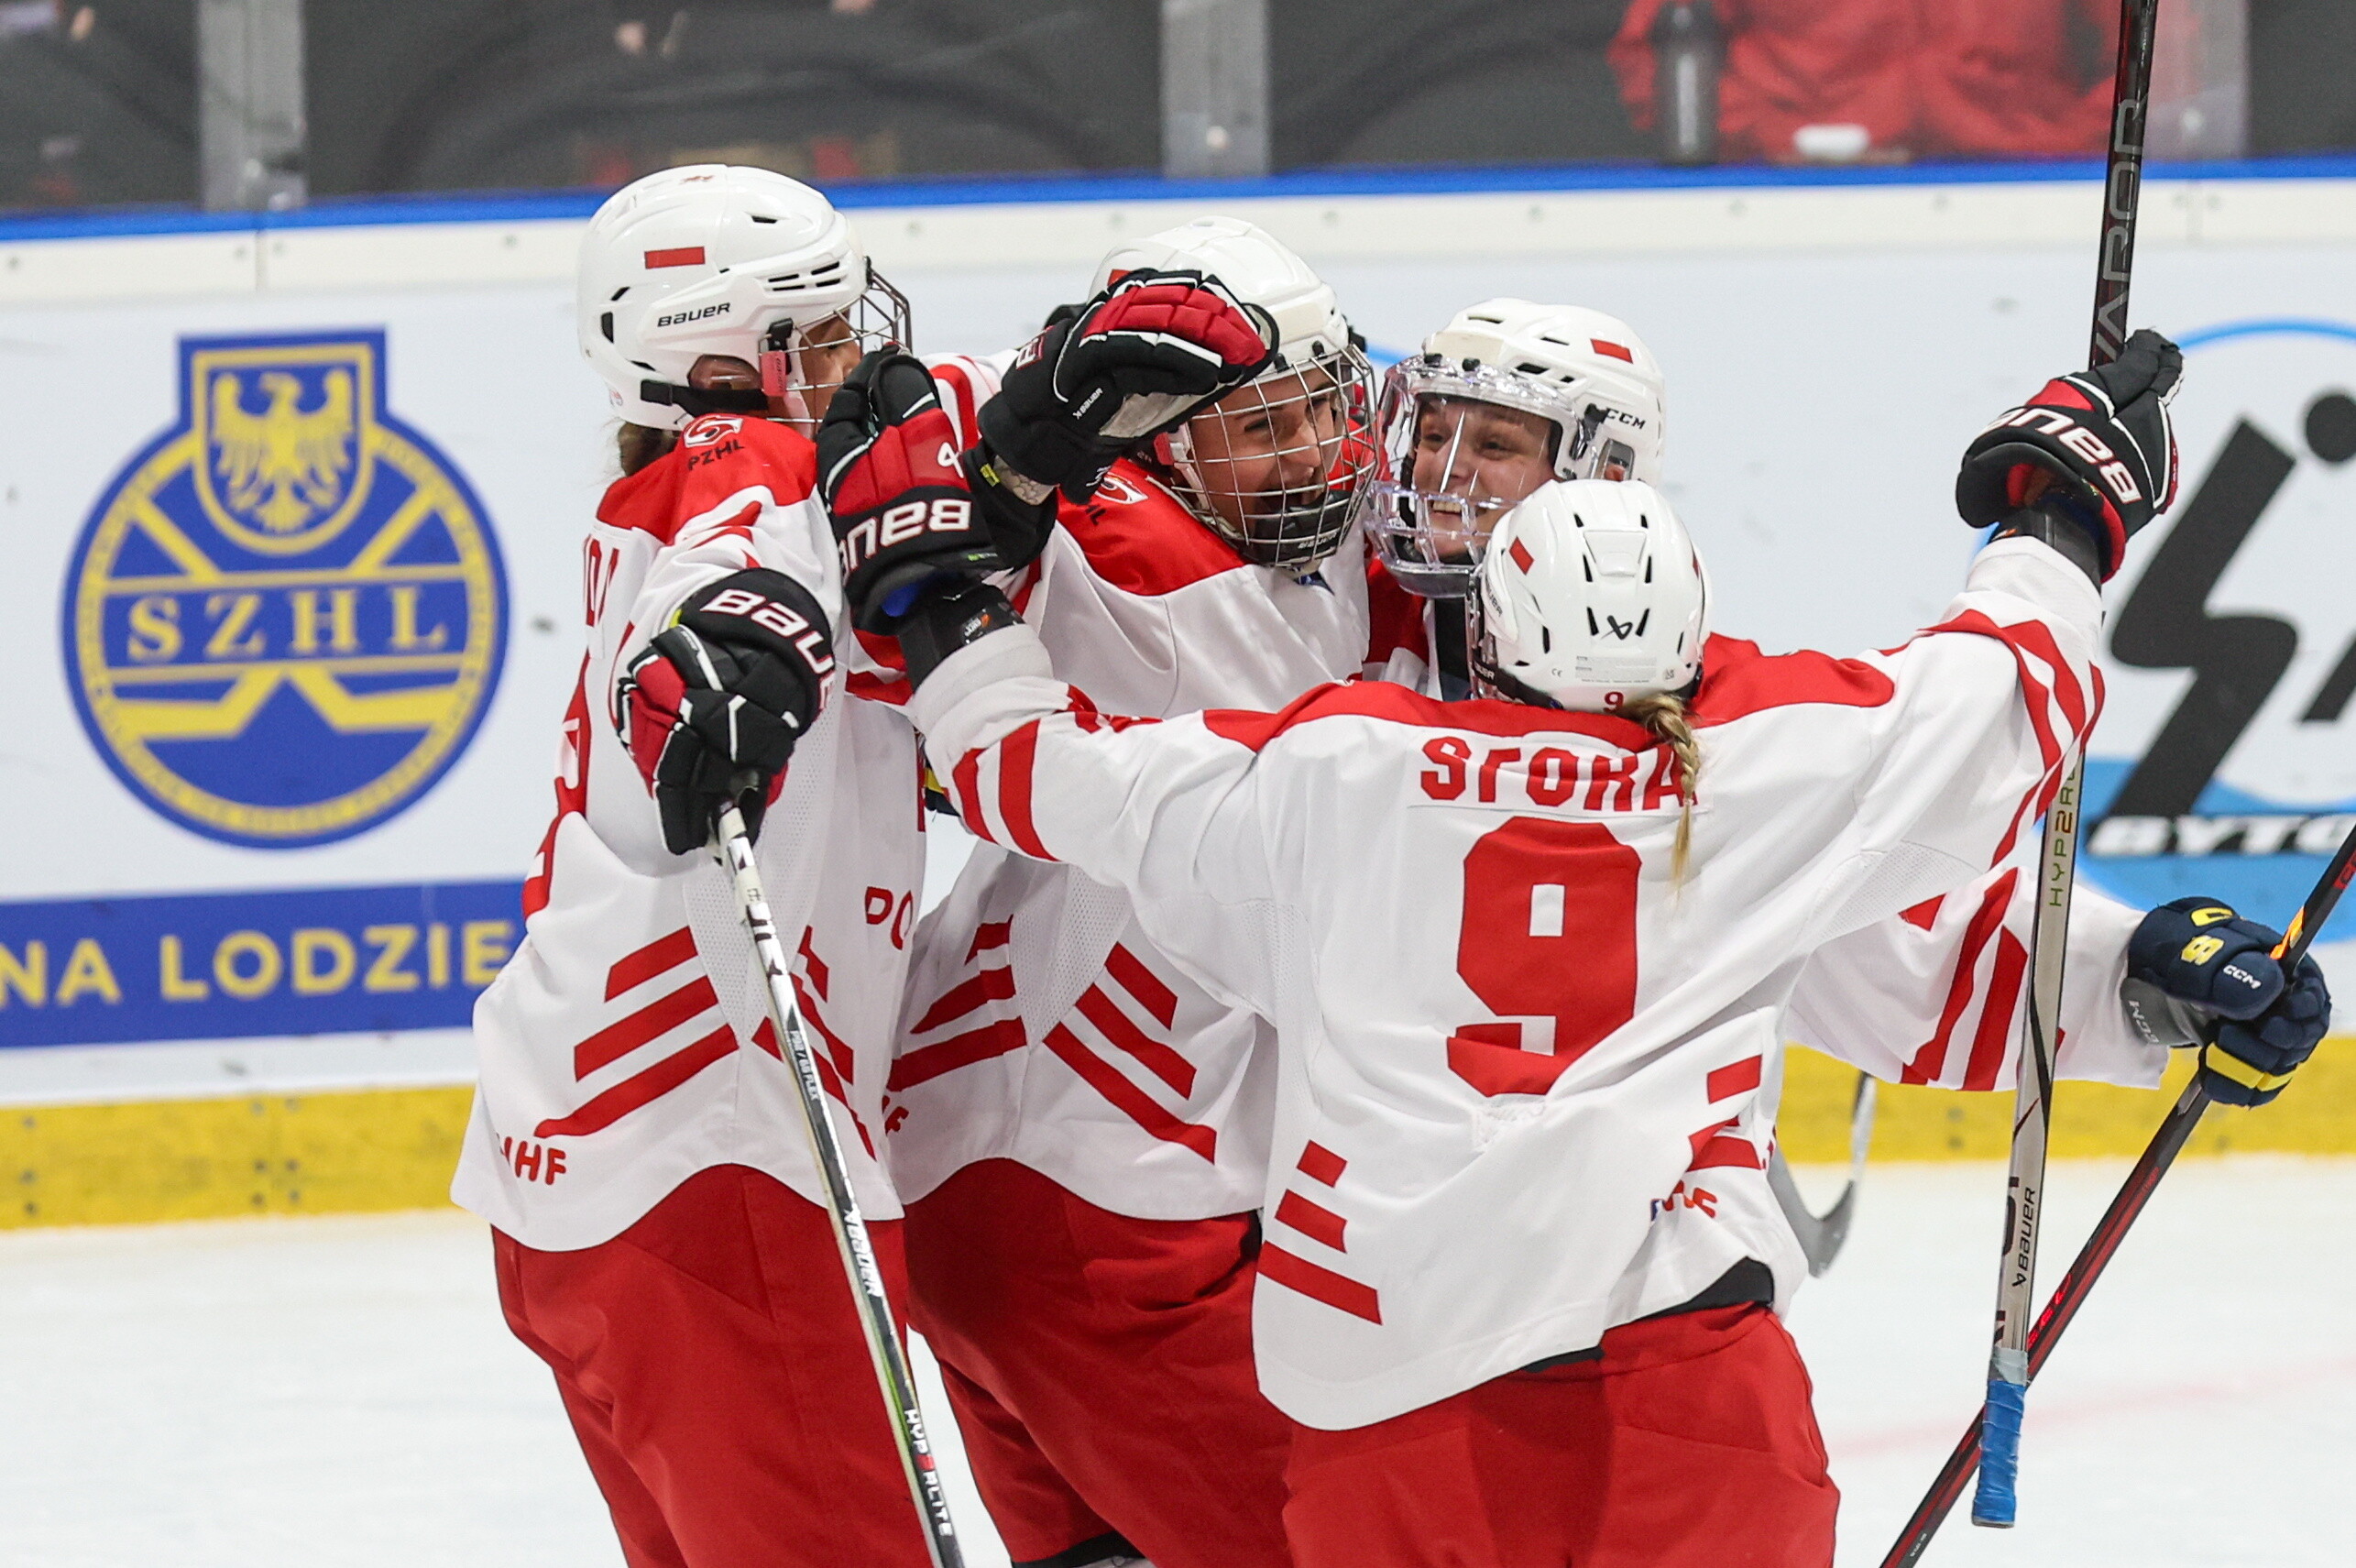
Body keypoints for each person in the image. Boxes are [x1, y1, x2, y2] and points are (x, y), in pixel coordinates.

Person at [833, 329, 2329, 1565]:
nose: (1437, 472)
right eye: (1429, 428)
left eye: (1493, 445)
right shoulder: (1739, 749)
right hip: (1160, 1242)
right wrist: (2055, 519)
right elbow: (1996, 695)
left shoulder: (1331, 746)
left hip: (1350, 1337)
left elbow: (1028, 762)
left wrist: (934, 585)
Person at [454, 163, 1271, 1568]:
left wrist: (1048, 385)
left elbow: (900, 475)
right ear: (725, 370)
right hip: (721, 1166)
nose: (858, 359)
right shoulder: (742, 478)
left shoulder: (665, 487)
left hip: (580, 1170)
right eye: (824, 337)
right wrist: (741, 640)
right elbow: (738, 564)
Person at [886, 216, 1371, 1568]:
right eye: (1257, 429)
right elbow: (900, 448)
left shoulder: (1287, 549)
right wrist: (1028, 437)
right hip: (1083, 1205)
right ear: (1153, 439)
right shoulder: (1128, 559)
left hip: (1012, 1171)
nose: (1307, 453)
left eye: (1318, 409)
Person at [1610, 0, 2120, 164]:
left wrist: (2073, 141)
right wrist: (1765, 136)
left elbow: (2152, 50)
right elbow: (1652, 49)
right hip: (1787, 202)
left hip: (2027, 190)